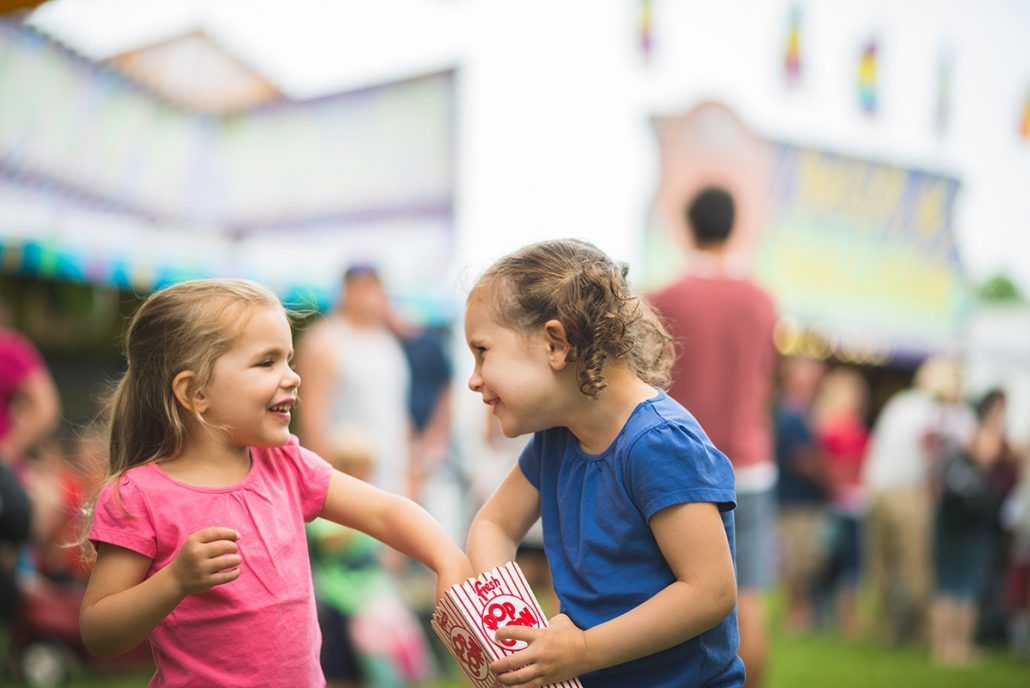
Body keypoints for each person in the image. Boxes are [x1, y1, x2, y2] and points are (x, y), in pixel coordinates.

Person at [77, 278, 472, 688]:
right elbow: (99, 632)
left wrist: (446, 558)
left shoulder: (284, 465)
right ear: (194, 392)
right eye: (267, 362)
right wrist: (174, 581)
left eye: (289, 360)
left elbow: (384, 511)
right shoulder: (140, 495)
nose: (293, 378)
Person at [465, 240, 744, 688]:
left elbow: (709, 591)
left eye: (482, 351)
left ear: (556, 344)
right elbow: (493, 526)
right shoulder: (557, 437)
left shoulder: (658, 443)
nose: (473, 379)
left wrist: (583, 651)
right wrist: (510, 628)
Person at [649, 186, 778, 687]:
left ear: (687, 226)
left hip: (683, 466)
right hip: (750, 464)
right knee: (750, 598)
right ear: (734, 226)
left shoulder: (666, 298)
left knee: (676, 597)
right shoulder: (763, 300)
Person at [863, 355, 974, 644]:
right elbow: (936, 449)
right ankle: (921, 631)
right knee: (915, 566)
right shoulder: (932, 411)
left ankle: (888, 628)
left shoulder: (901, 402)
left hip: (876, 489)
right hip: (906, 494)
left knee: (884, 565)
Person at [296, 265, 412, 497]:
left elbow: (397, 409)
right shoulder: (325, 341)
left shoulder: (387, 342)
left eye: (374, 289)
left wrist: (411, 467)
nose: (370, 298)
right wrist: (327, 481)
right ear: (346, 291)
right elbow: (312, 414)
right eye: (362, 289)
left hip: (391, 475)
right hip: (348, 475)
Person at [930, 389, 1008, 665]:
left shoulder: (951, 427)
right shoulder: (973, 431)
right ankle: (955, 648)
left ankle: (946, 647)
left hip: (952, 516)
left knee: (950, 580)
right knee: (963, 581)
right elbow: (986, 457)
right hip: (968, 519)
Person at [811, 367, 870, 637]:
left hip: (855, 501)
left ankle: (844, 618)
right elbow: (827, 465)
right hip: (838, 503)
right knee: (837, 563)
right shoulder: (829, 424)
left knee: (849, 565)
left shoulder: (849, 423)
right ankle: (835, 617)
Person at [773, 356, 828, 634]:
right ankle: (797, 615)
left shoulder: (793, 411)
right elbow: (801, 459)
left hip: (794, 499)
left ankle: (800, 612)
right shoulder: (793, 414)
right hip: (797, 501)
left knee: (800, 559)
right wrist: (828, 481)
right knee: (799, 560)